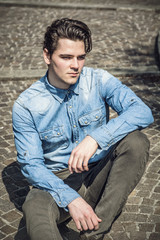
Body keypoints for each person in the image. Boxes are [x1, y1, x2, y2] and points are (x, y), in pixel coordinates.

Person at [12, 18, 154, 240]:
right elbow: (31, 166)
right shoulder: (26, 105)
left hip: (99, 172)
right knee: (34, 207)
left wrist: (96, 138)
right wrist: (70, 198)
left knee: (136, 141)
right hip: (57, 181)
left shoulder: (98, 80)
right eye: (66, 57)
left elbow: (143, 112)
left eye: (81, 57)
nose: (76, 65)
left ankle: (93, 234)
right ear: (47, 56)